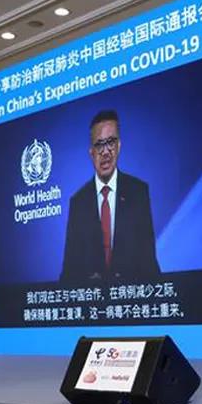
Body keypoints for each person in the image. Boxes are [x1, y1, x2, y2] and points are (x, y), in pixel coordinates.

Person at [60, 110, 160, 284]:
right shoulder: (78, 202)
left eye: (111, 142)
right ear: (91, 152)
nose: (105, 151)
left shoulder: (138, 192)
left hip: (131, 297)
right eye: (99, 145)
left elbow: (148, 260)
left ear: (119, 146)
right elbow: (69, 270)